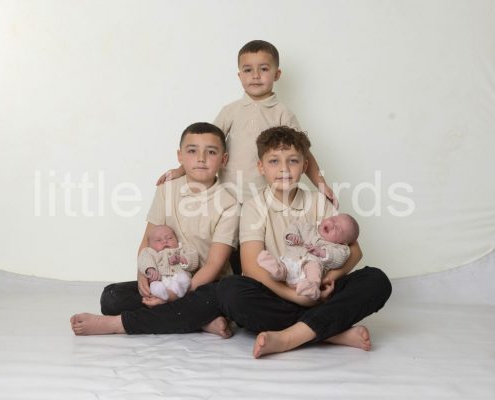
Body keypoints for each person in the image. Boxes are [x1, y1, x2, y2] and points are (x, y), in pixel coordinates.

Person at [217, 126, 391, 358]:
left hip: (318, 288)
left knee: (377, 280)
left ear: (304, 165)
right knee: (230, 291)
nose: (284, 169)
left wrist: (327, 280)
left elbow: (355, 252)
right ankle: (331, 333)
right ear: (261, 167)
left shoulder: (317, 201)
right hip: (277, 292)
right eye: (274, 161)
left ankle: (288, 337)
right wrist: (295, 297)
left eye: (293, 161)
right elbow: (250, 266)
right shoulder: (253, 207)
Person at [70, 122, 240, 338]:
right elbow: (147, 241)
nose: (201, 158)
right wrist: (143, 275)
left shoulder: (229, 204)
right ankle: (201, 321)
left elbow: (214, 265)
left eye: (211, 152)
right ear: (180, 156)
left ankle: (118, 324)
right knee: (111, 297)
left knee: (215, 298)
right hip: (165, 277)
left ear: (223, 159)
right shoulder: (166, 190)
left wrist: (175, 294)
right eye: (192, 151)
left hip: (203, 284)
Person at [156, 39, 338, 206]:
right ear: (240, 75)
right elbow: (206, 145)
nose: (255, 76)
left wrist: (322, 185)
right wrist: (181, 170)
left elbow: (303, 152)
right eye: (248, 70)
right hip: (227, 195)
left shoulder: (283, 114)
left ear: (277, 74)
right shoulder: (230, 111)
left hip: (267, 198)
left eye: (264, 69)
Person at [257, 213, 359, 301]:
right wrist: (291, 236)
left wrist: (321, 252)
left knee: (314, 267)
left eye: (337, 229)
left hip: (307, 274)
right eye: (332, 219)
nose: (332, 224)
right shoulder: (308, 227)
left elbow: (339, 258)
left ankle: (311, 287)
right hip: (292, 262)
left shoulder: (341, 248)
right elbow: (294, 226)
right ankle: (276, 270)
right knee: (285, 265)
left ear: (342, 242)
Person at [138, 224, 199, 301]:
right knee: (155, 285)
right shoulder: (150, 252)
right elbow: (144, 259)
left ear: (176, 240)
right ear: (150, 245)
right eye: (158, 240)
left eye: (169, 238)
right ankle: (162, 293)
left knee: (184, 278)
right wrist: (150, 269)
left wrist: (181, 259)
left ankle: (177, 290)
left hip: (178, 277)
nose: (165, 241)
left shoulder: (181, 249)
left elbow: (193, 258)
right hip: (160, 280)